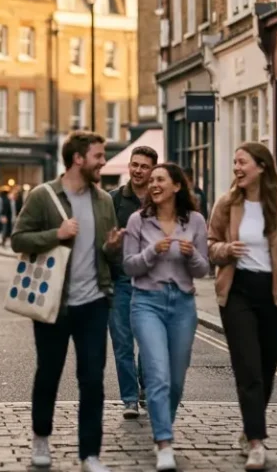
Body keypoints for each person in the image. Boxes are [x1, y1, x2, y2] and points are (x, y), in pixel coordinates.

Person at [12, 130, 120, 472]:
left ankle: (90, 454)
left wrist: (113, 247)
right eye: (98, 156)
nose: (103, 161)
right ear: (78, 159)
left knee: (93, 379)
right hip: (53, 303)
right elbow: (18, 239)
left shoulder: (104, 200)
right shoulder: (43, 197)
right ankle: (41, 438)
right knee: (49, 373)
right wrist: (55, 235)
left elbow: (106, 252)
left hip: (93, 303)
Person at [207, 142, 277, 471]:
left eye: (242, 162)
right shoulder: (227, 203)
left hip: (275, 293)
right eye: (235, 162)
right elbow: (209, 244)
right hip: (237, 292)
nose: (237, 167)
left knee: (266, 367)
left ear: (262, 166)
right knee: (248, 368)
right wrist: (225, 249)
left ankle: (250, 428)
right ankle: (256, 442)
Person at [122, 162, 210, 472]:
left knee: (175, 379)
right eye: (151, 180)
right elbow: (129, 266)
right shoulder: (138, 221)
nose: (153, 184)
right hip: (146, 302)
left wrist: (192, 255)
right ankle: (164, 442)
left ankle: (163, 426)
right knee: (157, 375)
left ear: (176, 186)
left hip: (183, 305)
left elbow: (203, 269)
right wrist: (152, 252)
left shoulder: (196, 221)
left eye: (160, 179)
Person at [109, 145, 157, 420]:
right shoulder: (113, 200)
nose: (138, 170)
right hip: (121, 282)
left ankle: (146, 390)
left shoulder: (160, 199)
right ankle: (129, 399)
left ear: (153, 170)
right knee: (123, 344)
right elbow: (103, 242)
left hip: (153, 282)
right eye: (134, 164)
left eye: (144, 166)